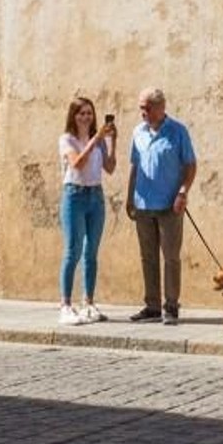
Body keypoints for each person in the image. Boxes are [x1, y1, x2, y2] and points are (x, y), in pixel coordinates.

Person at [126, 86, 197, 324]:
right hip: (143, 203)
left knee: (171, 257)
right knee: (148, 257)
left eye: (146, 108)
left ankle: (171, 306)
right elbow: (134, 166)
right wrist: (129, 198)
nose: (142, 112)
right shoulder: (138, 132)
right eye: (141, 108)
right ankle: (152, 305)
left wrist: (183, 192)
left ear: (160, 107)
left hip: (170, 204)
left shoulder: (178, 131)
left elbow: (190, 165)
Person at [56, 96, 116, 324]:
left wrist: (112, 142)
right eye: (81, 113)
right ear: (73, 116)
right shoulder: (67, 139)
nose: (86, 117)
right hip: (75, 196)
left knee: (91, 252)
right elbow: (77, 163)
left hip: (95, 196)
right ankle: (65, 305)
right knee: (73, 250)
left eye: (89, 113)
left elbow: (109, 168)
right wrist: (96, 139)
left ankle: (89, 303)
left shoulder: (98, 140)